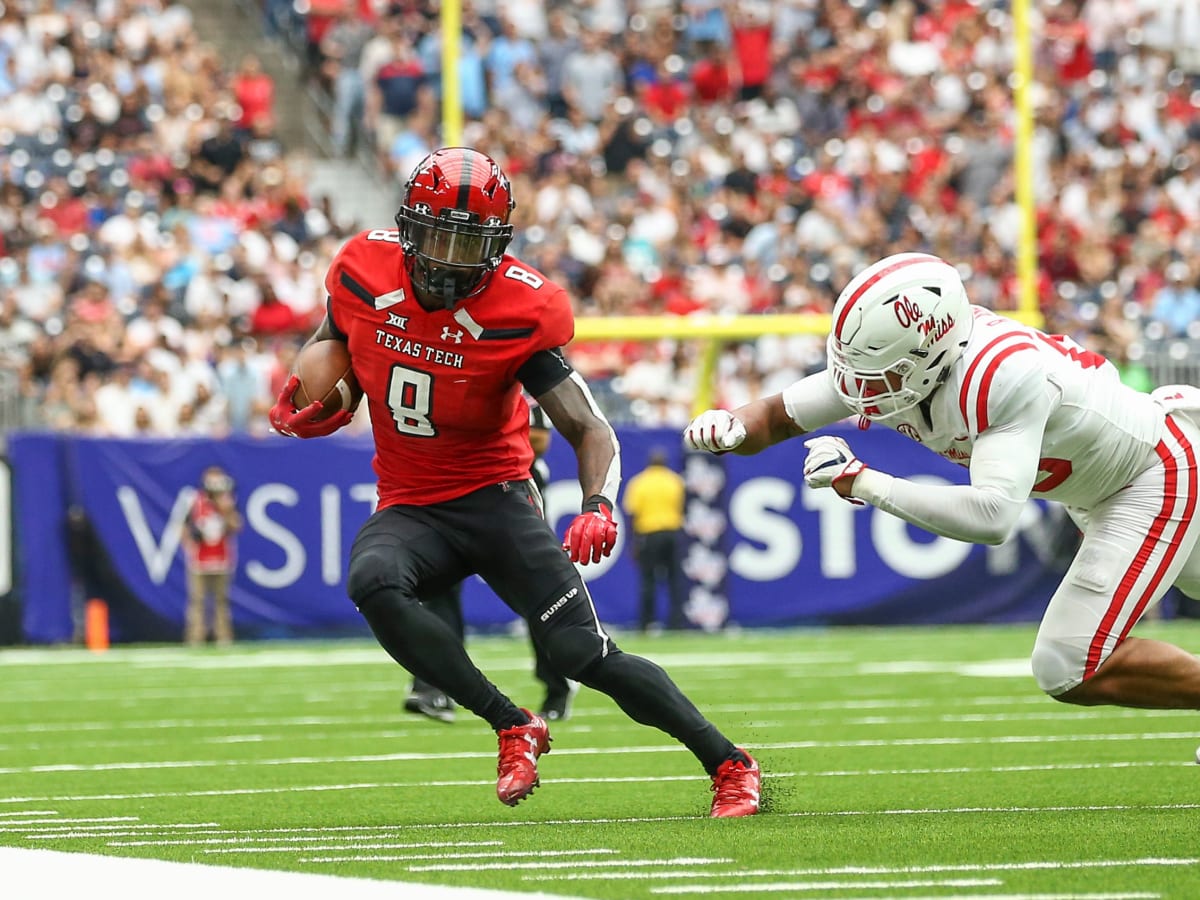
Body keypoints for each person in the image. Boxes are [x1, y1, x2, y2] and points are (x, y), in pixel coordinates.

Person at [269, 147, 759, 816]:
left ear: (496, 246)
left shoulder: (521, 309)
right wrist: (317, 394)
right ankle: (511, 723)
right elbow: (337, 344)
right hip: (412, 504)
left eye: (467, 243)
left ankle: (729, 762)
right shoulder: (361, 271)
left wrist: (598, 504)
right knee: (372, 581)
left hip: (495, 501)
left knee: (582, 653)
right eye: (437, 235)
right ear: (409, 229)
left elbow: (589, 427)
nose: (447, 258)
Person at [685, 251, 1200, 718]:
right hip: (1096, 490)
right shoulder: (894, 366)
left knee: (1068, 659)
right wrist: (732, 428)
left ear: (931, 354)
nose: (856, 390)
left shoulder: (1000, 375)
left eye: (877, 375)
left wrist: (863, 482)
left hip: (1149, 475)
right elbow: (776, 417)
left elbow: (993, 516)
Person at [403, 395, 578, 724]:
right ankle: (433, 688)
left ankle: (558, 686)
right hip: (456, 506)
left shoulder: (526, 395)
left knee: (540, 606)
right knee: (436, 597)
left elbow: (540, 439)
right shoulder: (459, 381)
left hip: (504, 509)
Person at [622, 447, 688, 632]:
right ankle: (676, 623)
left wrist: (632, 541)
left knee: (648, 580)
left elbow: (632, 514)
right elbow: (682, 508)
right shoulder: (675, 480)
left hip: (649, 533)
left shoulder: (639, 482)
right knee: (674, 580)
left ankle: (646, 623)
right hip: (672, 532)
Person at [182, 466, 242, 646]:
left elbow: (236, 526)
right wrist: (189, 547)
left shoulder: (228, 501)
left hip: (222, 558)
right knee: (197, 601)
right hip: (200, 559)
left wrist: (225, 509)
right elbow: (184, 526)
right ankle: (195, 638)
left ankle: (223, 637)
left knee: (221, 601)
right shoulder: (195, 500)